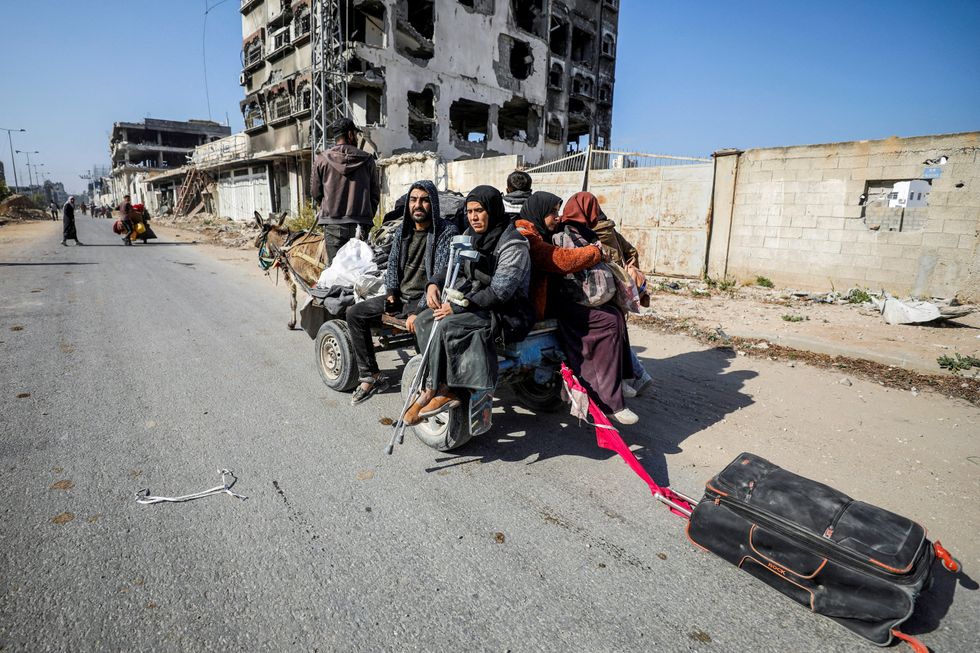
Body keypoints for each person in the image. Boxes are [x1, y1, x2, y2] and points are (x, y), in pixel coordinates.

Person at [404, 185, 533, 425]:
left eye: (479, 210)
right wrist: (433, 283)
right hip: (476, 303)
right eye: (470, 211)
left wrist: (460, 306)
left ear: (493, 210)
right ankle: (433, 387)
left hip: (507, 312)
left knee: (446, 324)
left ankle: (445, 390)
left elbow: (500, 292)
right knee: (424, 320)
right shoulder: (471, 235)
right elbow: (453, 264)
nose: (473, 217)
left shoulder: (513, 245)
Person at [345, 180, 457, 406]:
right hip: (402, 298)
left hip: (426, 300)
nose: (418, 205)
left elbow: (443, 273)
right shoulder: (402, 231)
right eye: (414, 200)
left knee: (423, 328)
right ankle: (371, 375)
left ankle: (433, 384)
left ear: (433, 204)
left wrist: (420, 311)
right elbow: (393, 264)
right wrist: (391, 292)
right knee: (354, 313)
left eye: (424, 200)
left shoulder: (446, 232)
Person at [553, 191, 637, 425]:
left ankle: (621, 379)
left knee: (617, 315)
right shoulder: (564, 234)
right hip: (568, 302)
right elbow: (569, 265)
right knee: (609, 321)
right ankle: (610, 402)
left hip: (582, 299)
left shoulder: (586, 232)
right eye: (592, 209)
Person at [513, 191, 602, 322]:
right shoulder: (526, 235)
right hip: (536, 308)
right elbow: (561, 259)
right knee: (608, 320)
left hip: (553, 300)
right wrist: (595, 251)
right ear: (540, 211)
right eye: (552, 212)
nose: (557, 217)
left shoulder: (545, 233)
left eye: (558, 211)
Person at [594, 213, 655, 397]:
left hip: (602, 294)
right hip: (620, 294)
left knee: (611, 339)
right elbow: (632, 252)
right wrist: (626, 271)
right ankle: (637, 374)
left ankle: (634, 376)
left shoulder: (589, 234)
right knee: (619, 335)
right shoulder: (610, 230)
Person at [310, 117, 380, 261]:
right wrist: (365, 216)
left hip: (333, 224)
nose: (356, 137)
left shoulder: (321, 159)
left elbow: (315, 193)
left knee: (335, 272)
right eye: (355, 134)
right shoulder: (368, 160)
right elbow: (375, 195)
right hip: (360, 225)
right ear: (350, 134)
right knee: (359, 271)